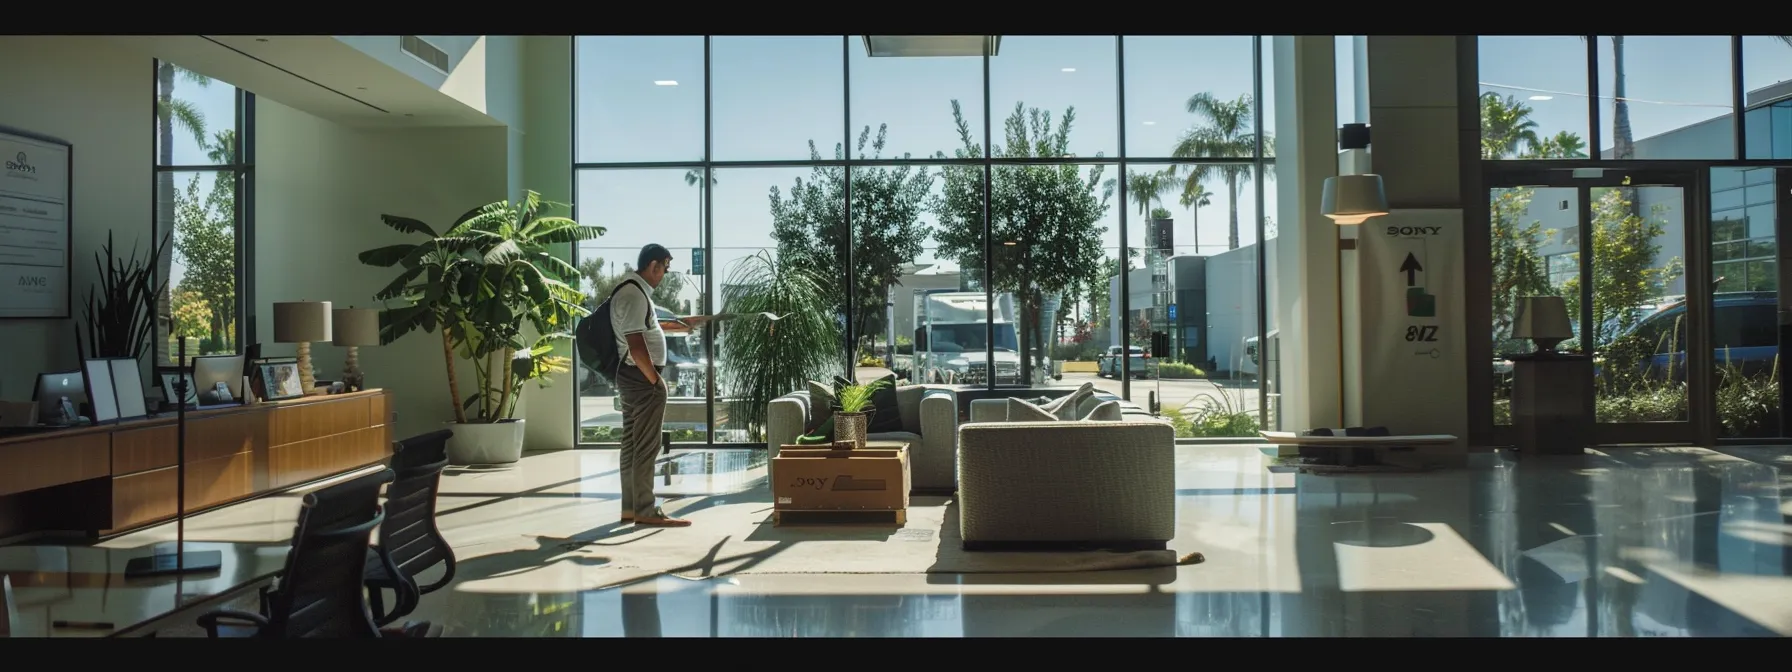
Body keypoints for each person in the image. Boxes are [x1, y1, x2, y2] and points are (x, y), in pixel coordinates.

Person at [611, 244, 711, 527]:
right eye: (665, 268)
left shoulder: (632, 291)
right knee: (646, 446)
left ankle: (631, 508)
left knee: (632, 443)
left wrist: (682, 325)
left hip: (633, 377)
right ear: (654, 265)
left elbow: (645, 330)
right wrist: (655, 381)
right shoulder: (634, 293)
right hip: (642, 378)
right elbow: (635, 344)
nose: (665, 274)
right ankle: (644, 509)